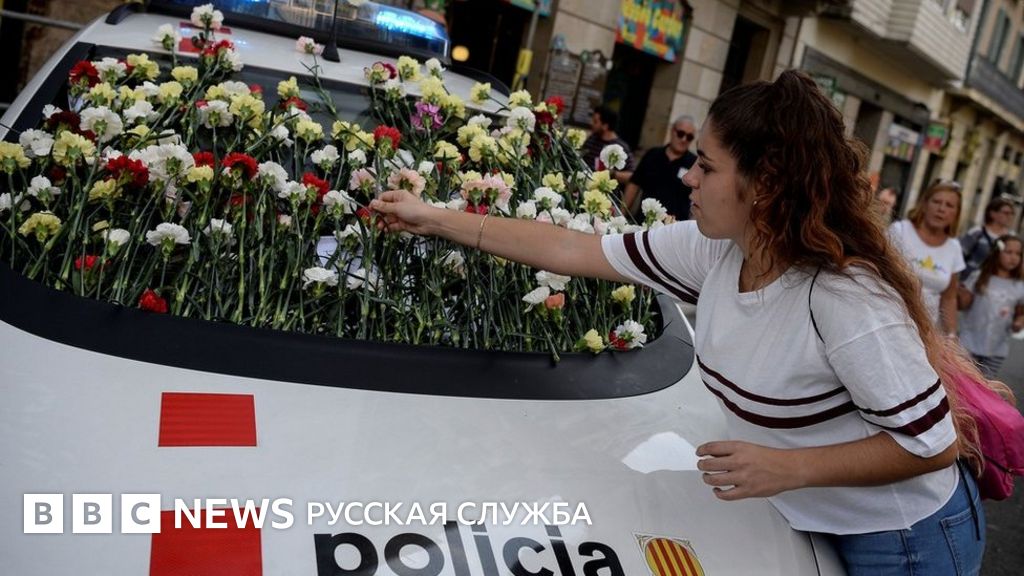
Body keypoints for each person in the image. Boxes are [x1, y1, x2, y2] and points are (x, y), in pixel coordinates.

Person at [371, 70, 985, 575]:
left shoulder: (846, 298)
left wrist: (788, 468)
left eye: (707, 167)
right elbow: (572, 249)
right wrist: (435, 218)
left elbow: (932, 446)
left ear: (766, 185)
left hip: (903, 540)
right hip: (806, 520)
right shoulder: (716, 249)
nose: (688, 176)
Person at [889, 180, 966, 337]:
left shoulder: (954, 247)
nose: (941, 209)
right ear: (924, 205)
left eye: (949, 205)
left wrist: (951, 335)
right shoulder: (900, 231)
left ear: (956, 214)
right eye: (936, 202)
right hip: (889, 321)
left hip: (925, 332)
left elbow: (949, 298)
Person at [958, 234, 1024, 378]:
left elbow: (1020, 313)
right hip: (968, 343)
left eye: (1018, 254)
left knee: (985, 384)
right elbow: (962, 305)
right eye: (1008, 252)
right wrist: (960, 292)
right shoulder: (979, 277)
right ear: (996, 253)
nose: (1013, 257)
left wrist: (1019, 322)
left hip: (996, 348)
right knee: (963, 382)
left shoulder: (1019, 285)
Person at [621, 115, 698, 221]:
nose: (684, 139)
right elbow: (634, 185)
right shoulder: (652, 155)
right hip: (643, 223)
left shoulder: (694, 164)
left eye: (689, 137)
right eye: (680, 134)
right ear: (672, 131)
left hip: (673, 227)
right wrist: (620, 215)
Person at [961, 197, 1016, 280]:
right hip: (969, 279)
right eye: (1006, 213)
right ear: (992, 214)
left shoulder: (1012, 237)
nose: (1009, 216)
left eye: (1012, 213)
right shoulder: (977, 233)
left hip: (996, 282)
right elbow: (960, 255)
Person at [580, 105, 635, 186]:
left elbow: (631, 176)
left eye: (595, 122)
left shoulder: (620, 147)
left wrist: (612, 173)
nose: (591, 124)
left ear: (605, 126)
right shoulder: (592, 139)